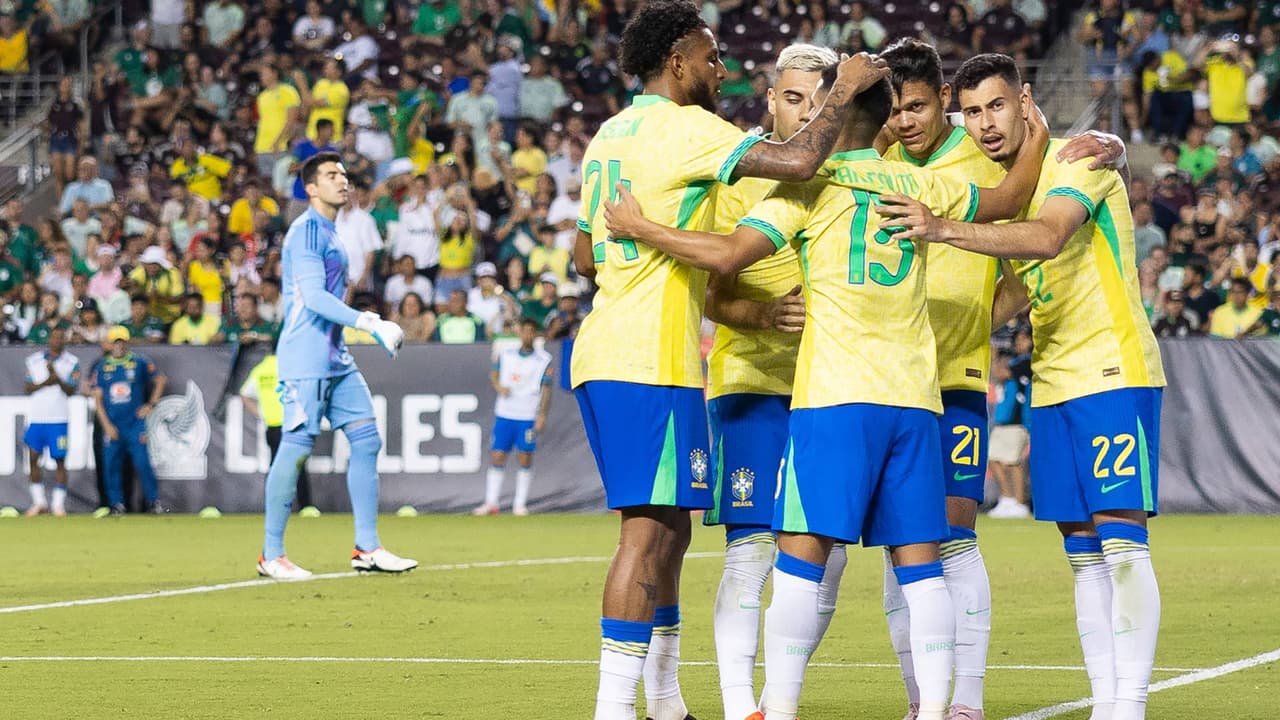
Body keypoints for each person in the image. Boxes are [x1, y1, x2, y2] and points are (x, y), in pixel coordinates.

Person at [602, 71, 1047, 720]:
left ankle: (777, 710)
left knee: (799, 566)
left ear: (832, 118)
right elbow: (1009, 198)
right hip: (915, 402)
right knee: (923, 571)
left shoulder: (811, 186)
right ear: (887, 118)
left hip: (834, 400)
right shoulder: (920, 184)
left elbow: (727, 256)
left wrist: (642, 228)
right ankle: (935, 710)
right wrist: (1036, 136)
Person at [570, 4, 890, 717]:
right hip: (646, 357)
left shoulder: (608, 134)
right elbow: (801, 161)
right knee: (646, 534)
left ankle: (666, 700)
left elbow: (584, 254)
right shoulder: (686, 127)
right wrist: (844, 90)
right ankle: (613, 707)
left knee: (672, 532)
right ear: (677, 61)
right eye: (711, 58)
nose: (721, 71)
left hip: (617, 348)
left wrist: (646, 238)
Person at [879, 53, 1166, 720]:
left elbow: (1046, 237)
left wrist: (940, 228)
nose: (985, 123)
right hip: (1054, 381)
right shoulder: (1011, 182)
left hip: (1112, 368)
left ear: (1024, 100)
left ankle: (1130, 706)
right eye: (972, 113)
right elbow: (1014, 292)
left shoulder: (1074, 160)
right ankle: (1106, 703)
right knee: (1083, 556)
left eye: (996, 106)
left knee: (1121, 544)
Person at [695, 44, 847, 720]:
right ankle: (740, 707)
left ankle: (775, 695)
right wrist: (761, 315)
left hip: (830, 389)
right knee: (751, 552)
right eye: (791, 97)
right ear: (769, 100)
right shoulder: (734, 177)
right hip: (752, 382)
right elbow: (707, 292)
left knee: (827, 556)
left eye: (818, 99)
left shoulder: (848, 170)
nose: (805, 111)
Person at [257, 151, 416, 580]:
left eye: (343, 174)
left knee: (366, 440)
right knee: (296, 447)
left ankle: (367, 548)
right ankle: (271, 554)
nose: (342, 180)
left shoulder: (331, 231)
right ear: (311, 188)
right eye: (331, 175)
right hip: (305, 356)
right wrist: (370, 323)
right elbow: (314, 298)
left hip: (334, 355)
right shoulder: (306, 232)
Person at [474, 318, 553, 516]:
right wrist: (499, 386)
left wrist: (542, 414)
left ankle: (519, 504)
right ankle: (491, 502)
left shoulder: (543, 359)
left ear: (536, 335)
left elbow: (546, 388)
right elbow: (494, 374)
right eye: (524, 331)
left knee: (525, 457)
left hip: (527, 414)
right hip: (505, 413)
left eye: (531, 331)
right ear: (520, 333)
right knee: (498, 455)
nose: (527, 335)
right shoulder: (506, 354)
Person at [91, 326, 167, 516]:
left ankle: (153, 502)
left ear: (127, 342)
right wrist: (106, 425)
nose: (119, 346)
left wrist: (151, 404)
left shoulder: (139, 362)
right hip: (113, 425)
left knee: (142, 463)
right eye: (115, 342)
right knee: (111, 465)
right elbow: (98, 400)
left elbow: (160, 380)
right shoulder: (102, 367)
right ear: (110, 344)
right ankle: (116, 504)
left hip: (135, 424)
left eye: (122, 342)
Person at [241, 351, 318, 517]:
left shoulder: (261, 369)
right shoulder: (290, 366)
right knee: (298, 466)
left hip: (273, 426)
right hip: (292, 424)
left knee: (276, 467)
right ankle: (305, 506)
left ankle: (275, 506)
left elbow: (245, 394)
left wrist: (261, 414)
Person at [22, 325, 80, 517]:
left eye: (60, 337)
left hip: (58, 418)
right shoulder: (34, 360)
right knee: (33, 458)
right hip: (37, 418)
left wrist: (57, 378)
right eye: (54, 337)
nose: (57, 341)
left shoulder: (72, 362)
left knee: (60, 461)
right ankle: (39, 502)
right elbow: (27, 387)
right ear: (49, 339)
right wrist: (46, 382)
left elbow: (71, 390)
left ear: (65, 340)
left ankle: (57, 504)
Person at [987, 351, 1031, 519]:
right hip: (1002, 425)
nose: (996, 370)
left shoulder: (1018, 380)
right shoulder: (1004, 384)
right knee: (997, 460)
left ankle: (1019, 503)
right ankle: (1008, 499)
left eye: (1000, 367)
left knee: (1013, 463)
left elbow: (1019, 405)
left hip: (1014, 424)